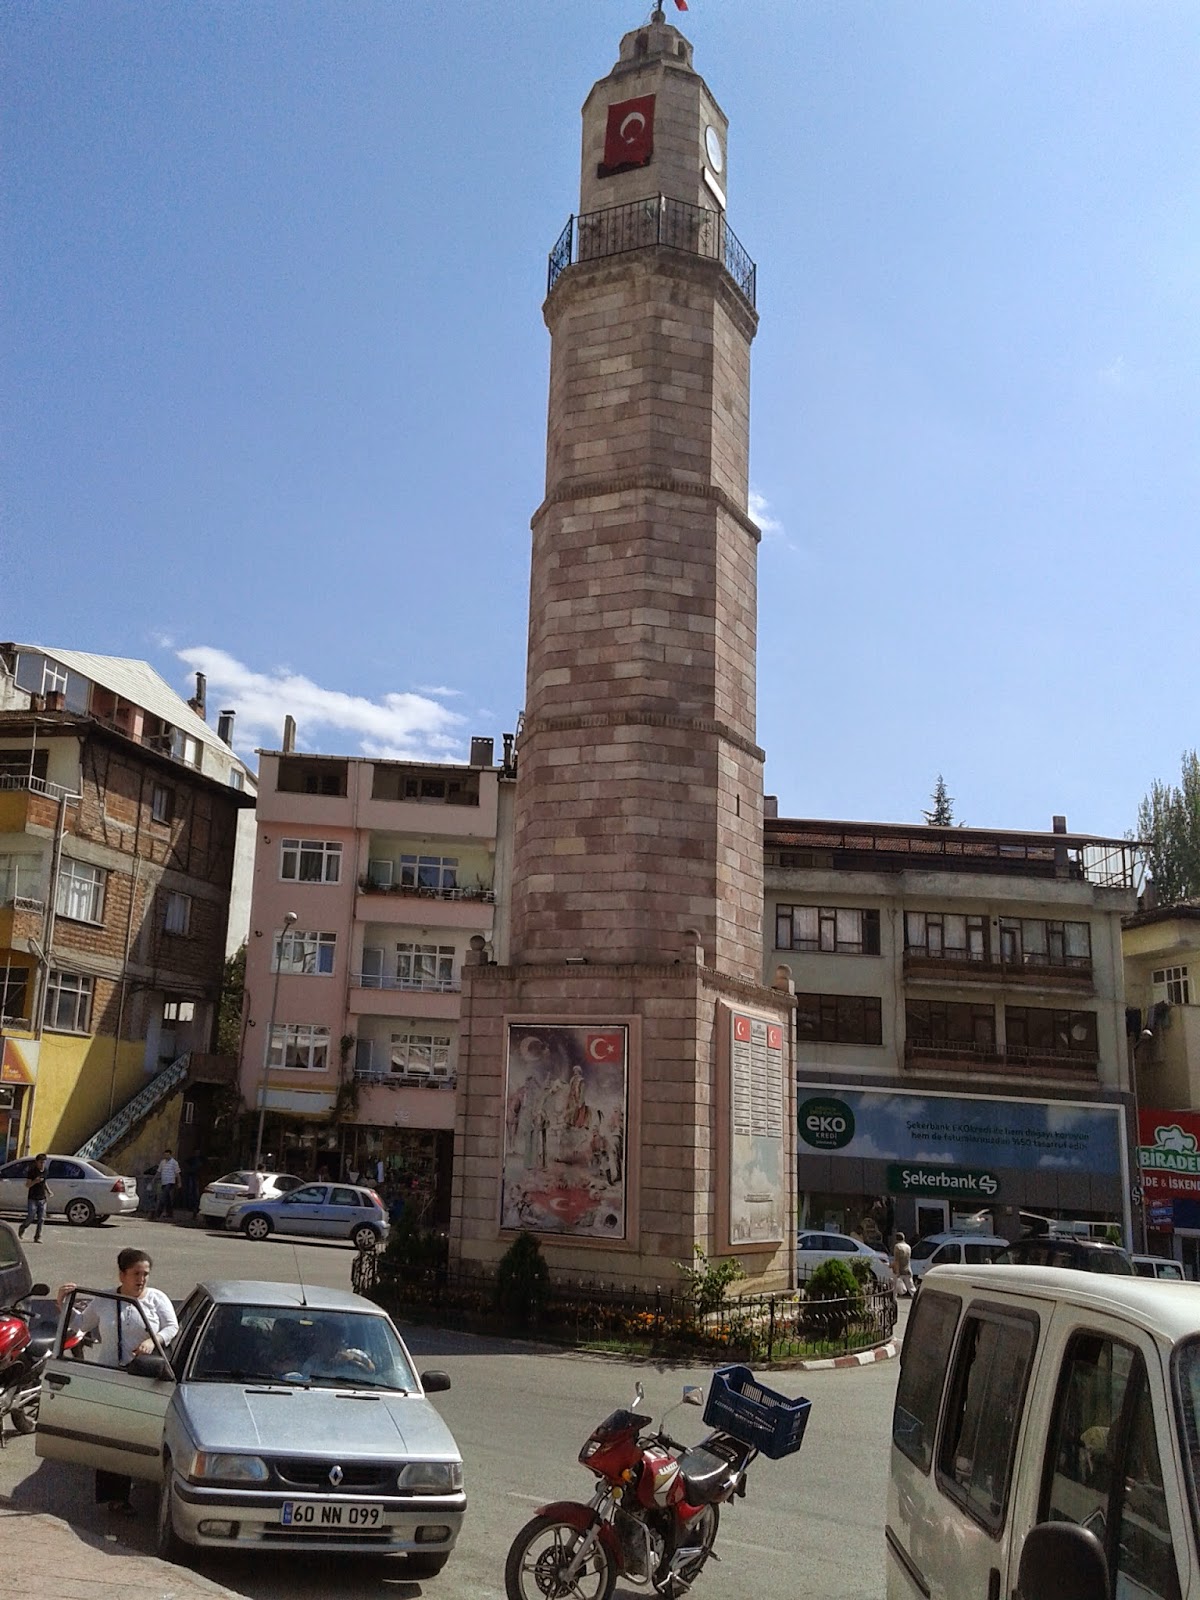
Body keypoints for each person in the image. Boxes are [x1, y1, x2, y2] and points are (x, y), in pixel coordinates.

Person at [56, 1249, 179, 1514]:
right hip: (110, 1378)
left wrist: (153, 1341)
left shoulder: (157, 1299)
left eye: (145, 1274)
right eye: (136, 1274)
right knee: (112, 1437)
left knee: (138, 1436)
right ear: (122, 1275)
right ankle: (115, 1498)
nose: (141, 1279)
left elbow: (172, 1326)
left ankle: (143, 1485)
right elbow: (80, 1324)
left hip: (144, 1379)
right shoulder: (104, 1299)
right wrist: (63, 1302)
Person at [18, 1153, 51, 1242]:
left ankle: (37, 1237)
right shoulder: (32, 1171)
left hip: (42, 1198)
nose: (42, 1164)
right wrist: (35, 1181)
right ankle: (23, 1227)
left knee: (41, 1218)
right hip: (32, 1198)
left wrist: (48, 1191)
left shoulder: (45, 1171)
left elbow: (44, 1182)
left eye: (44, 1162)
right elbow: (27, 1185)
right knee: (31, 1216)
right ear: (36, 1162)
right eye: (41, 1162)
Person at [155, 1148, 180, 1218]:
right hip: (164, 1182)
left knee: (163, 1197)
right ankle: (170, 1213)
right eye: (165, 1155)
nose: (166, 1156)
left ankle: (158, 1213)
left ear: (170, 1155)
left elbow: (177, 1173)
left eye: (168, 1155)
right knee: (167, 1198)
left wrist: (179, 1182)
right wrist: (154, 1179)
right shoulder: (162, 1162)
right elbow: (159, 1171)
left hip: (170, 1182)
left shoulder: (174, 1163)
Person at [892, 1231, 915, 1298]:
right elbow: (908, 1259)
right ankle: (916, 1300)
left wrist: (897, 1271)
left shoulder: (897, 1246)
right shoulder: (908, 1247)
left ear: (896, 1239)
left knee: (895, 1288)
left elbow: (897, 1260)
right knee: (911, 1288)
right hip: (907, 1269)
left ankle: (894, 1300)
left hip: (900, 1270)